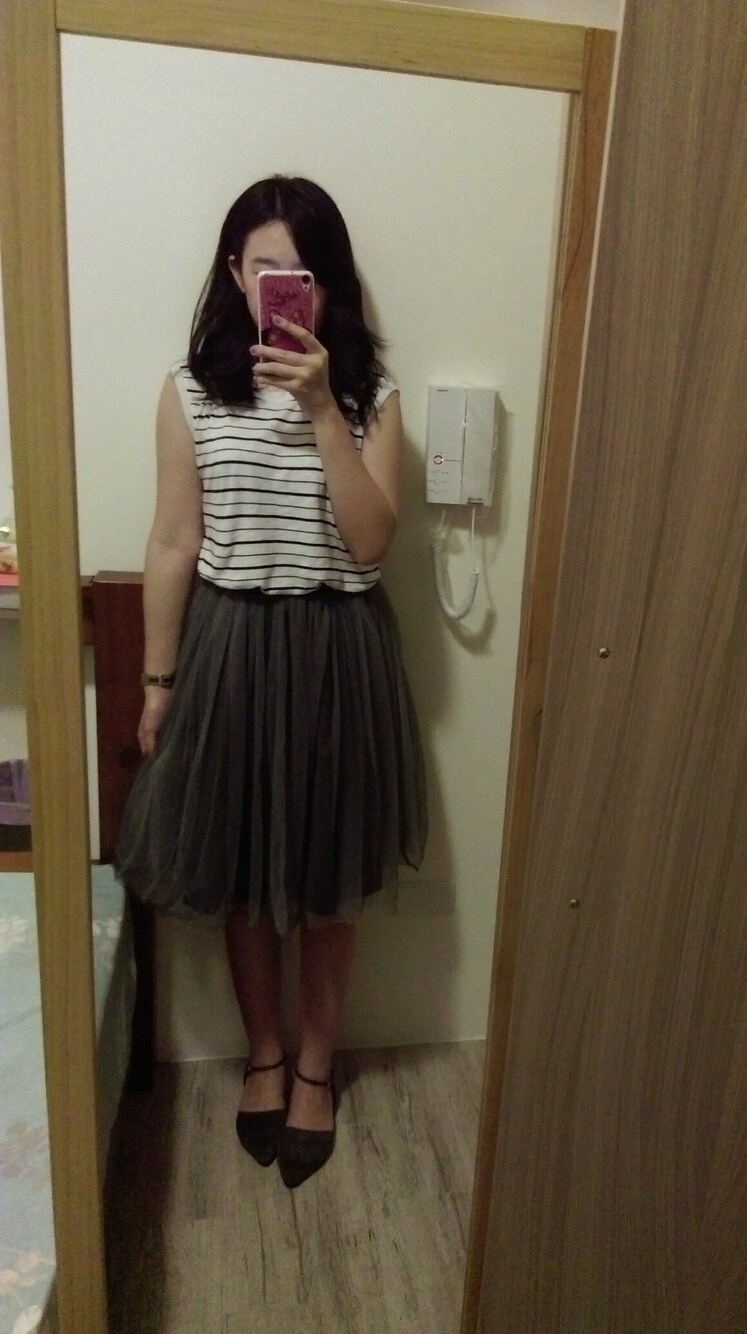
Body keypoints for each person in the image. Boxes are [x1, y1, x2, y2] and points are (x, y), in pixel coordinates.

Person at [115, 175, 427, 1189]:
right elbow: (173, 540)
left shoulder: (372, 395)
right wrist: (157, 681)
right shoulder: (191, 390)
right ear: (235, 274)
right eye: (267, 270)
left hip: (339, 650)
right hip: (231, 646)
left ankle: (316, 1067)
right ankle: (262, 1054)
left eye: (307, 273)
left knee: (330, 880)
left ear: (330, 285)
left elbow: (372, 544)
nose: (288, 289)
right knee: (245, 873)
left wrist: (324, 409)